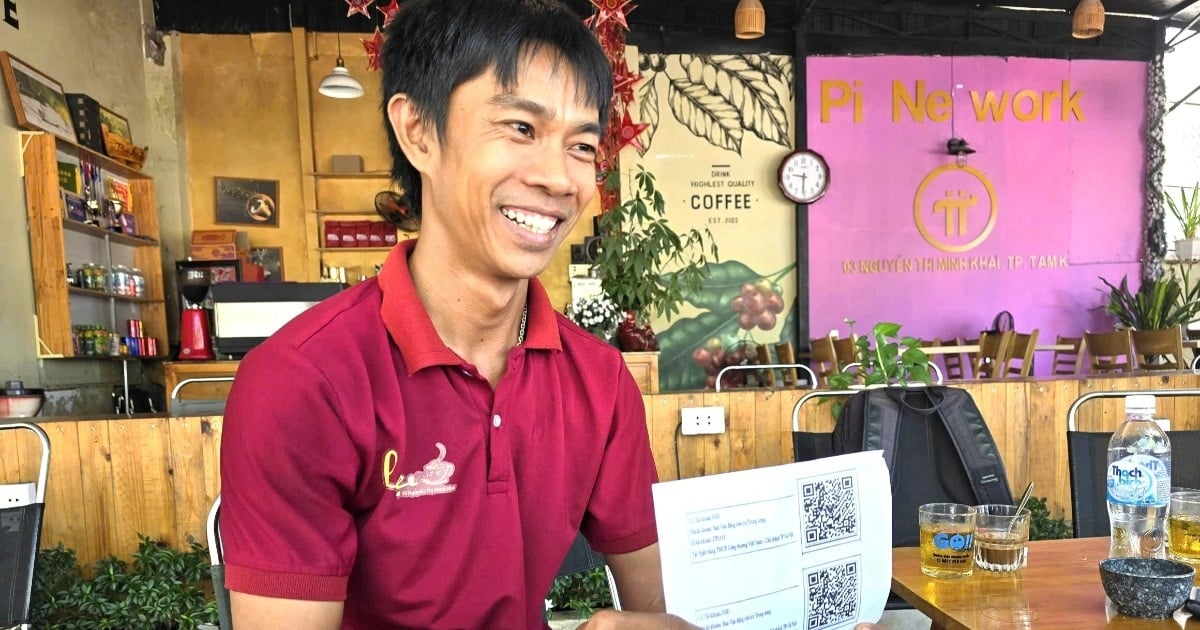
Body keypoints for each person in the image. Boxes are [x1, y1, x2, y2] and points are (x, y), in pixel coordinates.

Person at [219, 1, 888, 628]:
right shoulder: (303, 384)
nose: (561, 179)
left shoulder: (598, 381)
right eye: (520, 128)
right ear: (418, 132)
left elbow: (658, 607)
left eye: (580, 145)